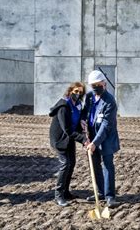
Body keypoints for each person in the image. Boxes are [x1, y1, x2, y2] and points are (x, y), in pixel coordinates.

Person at [82, 70, 120, 208]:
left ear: (104, 83)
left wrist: (95, 143)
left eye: (99, 85)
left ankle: (110, 196)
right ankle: (100, 192)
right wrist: (82, 122)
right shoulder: (90, 97)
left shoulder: (110, 101)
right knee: (95, 164)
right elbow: (85, 112)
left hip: (106, 138)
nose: (96, 87)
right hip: (91, 135)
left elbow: (106, 125)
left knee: (108, 166)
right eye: (93, 85)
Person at [49, 82, 87, 207]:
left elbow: (76, 121)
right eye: (76, 91)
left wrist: (82, 125)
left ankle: (66, 192)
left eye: (80, 92)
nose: (77, 94)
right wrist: (83, 139)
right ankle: (58, 195)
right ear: (70, 91)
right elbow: (67, 129)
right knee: (65, 163)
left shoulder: (77, 105)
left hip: (69, 139)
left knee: (72, 163)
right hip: (60, 139)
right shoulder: (64, 106)